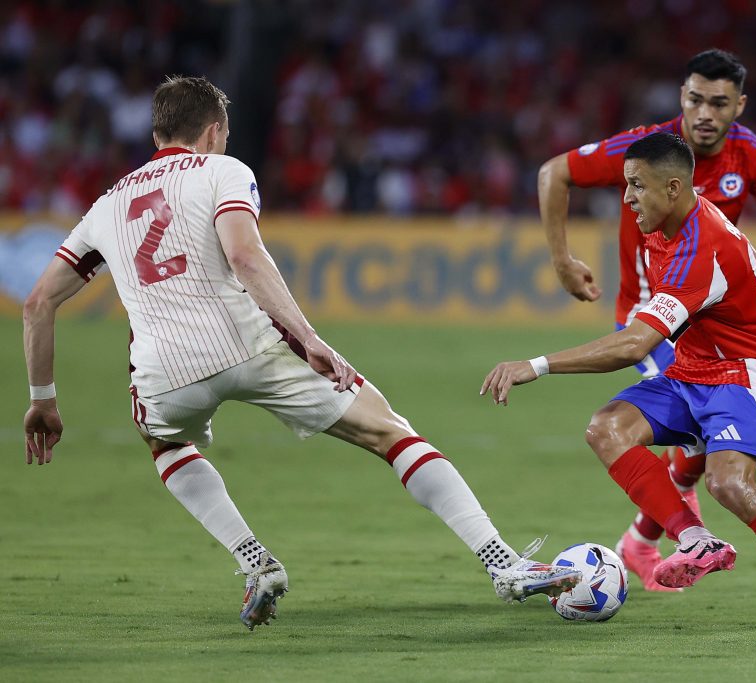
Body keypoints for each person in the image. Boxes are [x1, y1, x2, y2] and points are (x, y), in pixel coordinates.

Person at [22, 75, 581, 631]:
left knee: (164, 441)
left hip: (164, 369)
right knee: (390, 431)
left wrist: (42, 399)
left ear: (156, 132)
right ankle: (502, 562)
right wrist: (309, 338)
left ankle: (255, 563)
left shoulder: (107, 204)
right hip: (251, 342)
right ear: (215, 131)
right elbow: (244, 255)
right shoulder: (224, 171)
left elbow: (40, 302)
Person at [485, 133, 756, 628]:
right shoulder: (661, 226)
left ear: (673, 187)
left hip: (743, 374)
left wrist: (534, 365)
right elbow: (743, 264)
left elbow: (633, 346)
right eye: (625, 185)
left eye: (636, 186)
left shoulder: (699, 242)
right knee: (607, 428)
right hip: (692, 368)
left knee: (727, 482)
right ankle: (692, 537)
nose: (626, 198)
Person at [537, 49, 756, 590]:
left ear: (739, 106)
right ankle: (674, 534)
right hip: (653, 320)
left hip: (707, 318)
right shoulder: (646, 151)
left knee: (698, 432)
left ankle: (649, 539)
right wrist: (561, 259)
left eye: (718, 102)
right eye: (695, 99)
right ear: (680, 99)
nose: (705, 113)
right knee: (692, 425)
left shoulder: (747, 154)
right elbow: (553, 173)